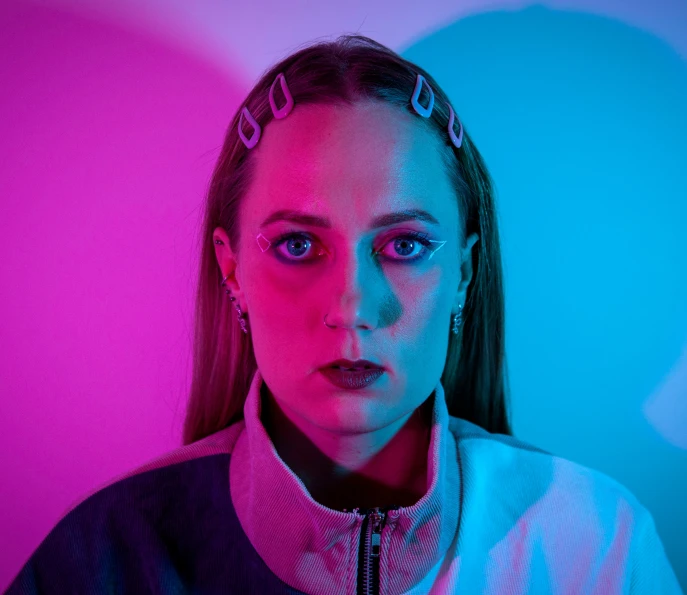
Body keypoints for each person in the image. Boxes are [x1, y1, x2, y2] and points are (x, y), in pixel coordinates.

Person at [5, 34, 682, 595]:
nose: (353, 305)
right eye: (298, 244)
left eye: (405, 245)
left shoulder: (593, 546)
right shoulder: (100, 557)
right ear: (232, 268)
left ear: (463, 275)